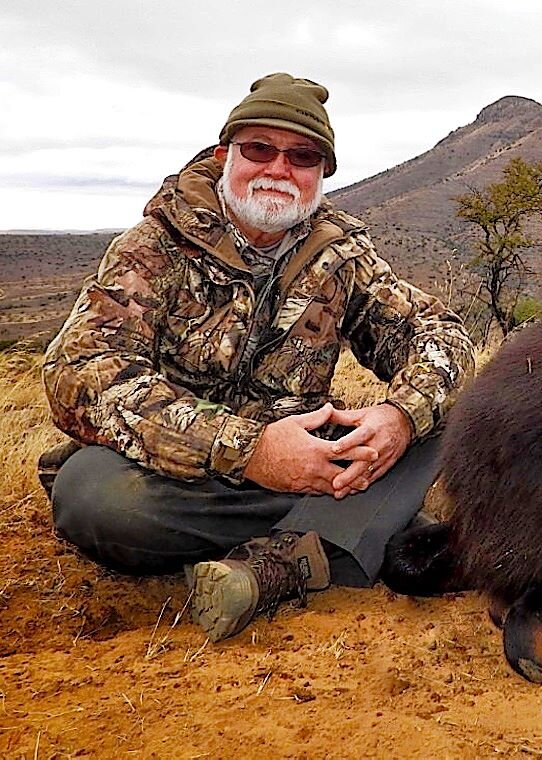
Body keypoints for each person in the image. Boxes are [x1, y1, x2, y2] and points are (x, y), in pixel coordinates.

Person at [39, 73, 474, 641]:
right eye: (259, 149)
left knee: (445, 420)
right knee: (92, 497)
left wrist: (396, 418)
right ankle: (336, 538)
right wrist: (251, 451)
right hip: (181, 476)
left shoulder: (342, 253)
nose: (278, 169)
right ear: (226, 156)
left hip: (311, 465)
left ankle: (278, 564)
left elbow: (438, 332)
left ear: (321, 174)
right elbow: (81, 375)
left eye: (302, 156)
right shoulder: (154, 245)